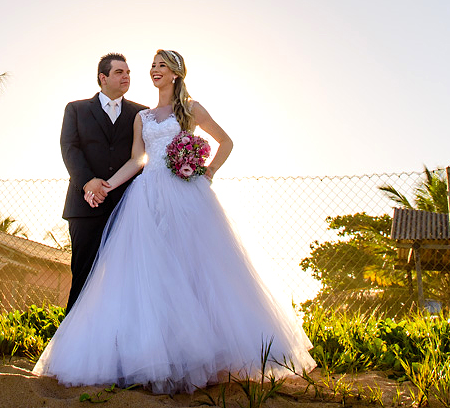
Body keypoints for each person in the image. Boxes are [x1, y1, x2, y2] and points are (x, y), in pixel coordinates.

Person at [35, 50, 315, 394]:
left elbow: (225, 141)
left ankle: (208, 353)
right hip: (147, 196)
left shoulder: (192, 109)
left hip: (186, 195)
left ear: (176, 74)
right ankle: (155, 353)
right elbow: (138, 159)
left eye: (161, 66)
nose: (153, 71)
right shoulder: (143, 117)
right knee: (151, 274)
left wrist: (207, 170)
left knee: (197, 269)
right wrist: (106, 185)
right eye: (152, 65)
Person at [59, 53, 149, 312]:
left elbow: (141, 156)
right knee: (84, 276)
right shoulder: (76, 109)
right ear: (103, 77)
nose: (126, 76)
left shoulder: (140, 113)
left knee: (126, 276)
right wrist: (88, 182)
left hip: (127, 206)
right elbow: (69, 148)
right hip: (84, 207)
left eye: (128, 72)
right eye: (120, 72)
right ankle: (72, 346)